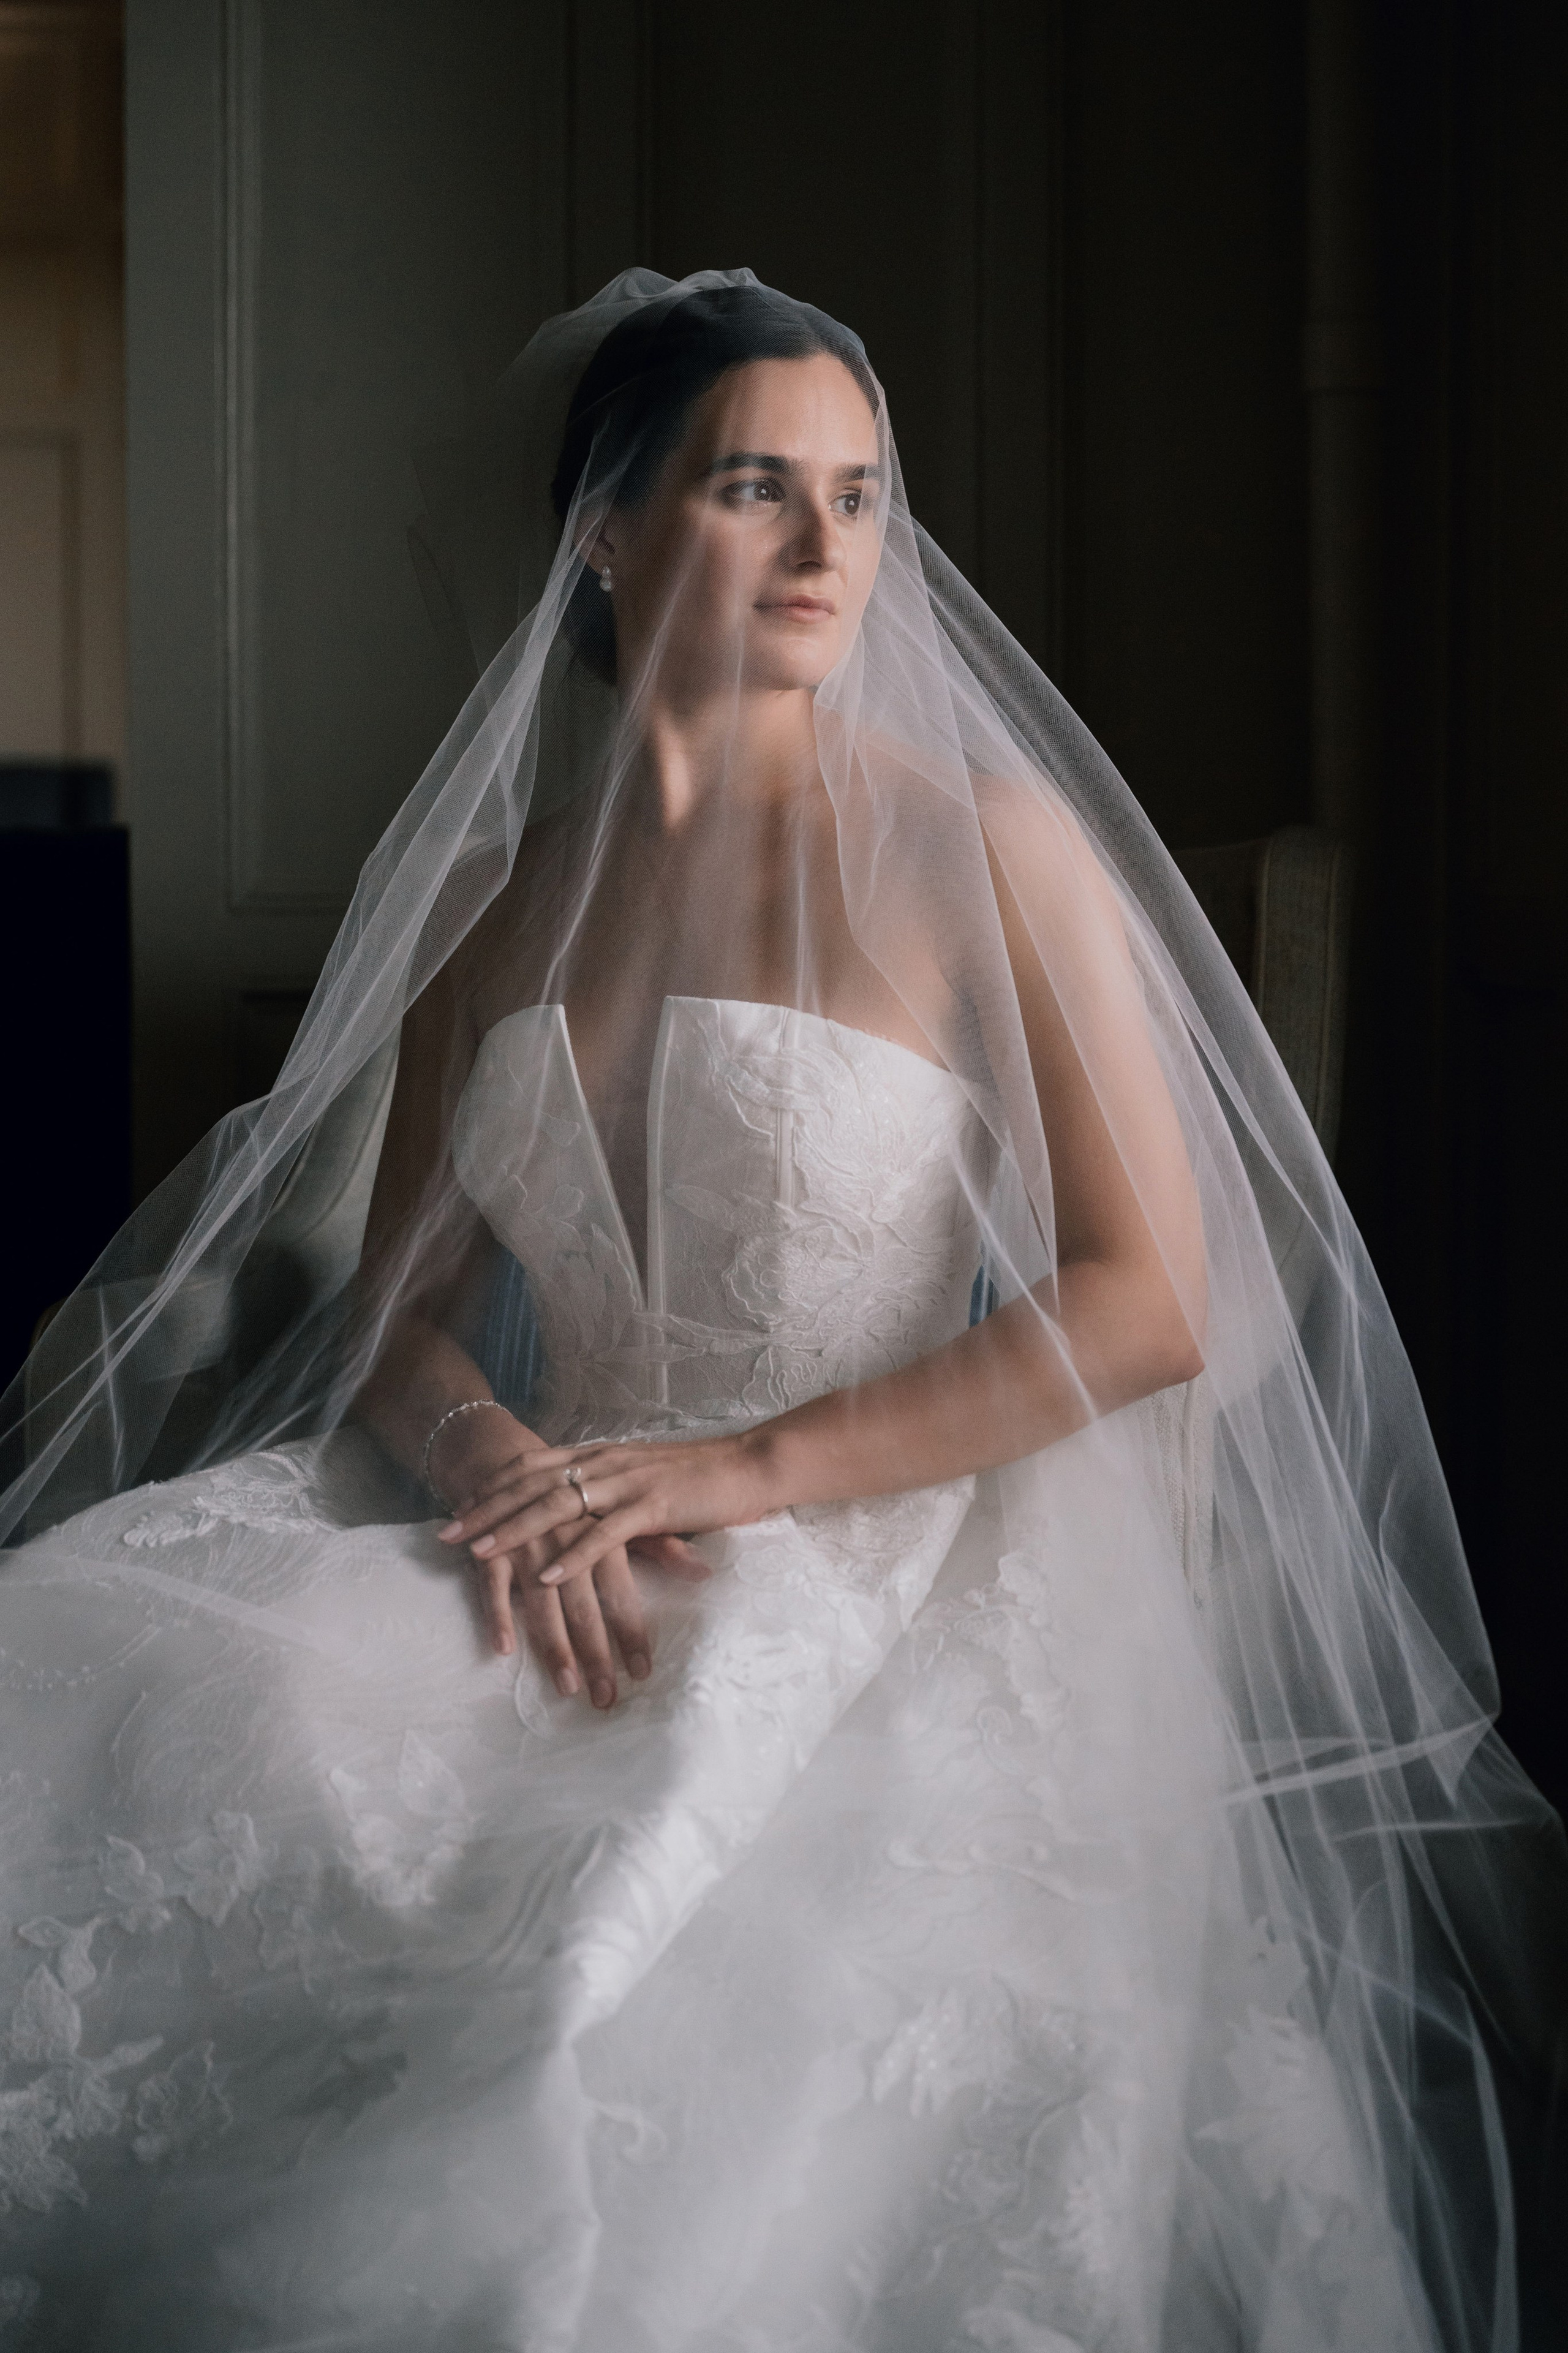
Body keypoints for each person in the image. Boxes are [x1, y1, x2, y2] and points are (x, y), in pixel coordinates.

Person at [0, 270, 1559, 2352]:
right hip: (555, 1523)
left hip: (885, 1543)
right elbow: (399, 1319)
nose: (839, 545)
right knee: (115, 1682)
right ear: (609, 533)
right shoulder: (499, 902)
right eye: (763, 488)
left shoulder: (977, 844)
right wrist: (494, 1461)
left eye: (861, 493)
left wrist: (731, 1473)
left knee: (618, 2001)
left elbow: (1157, 1292)